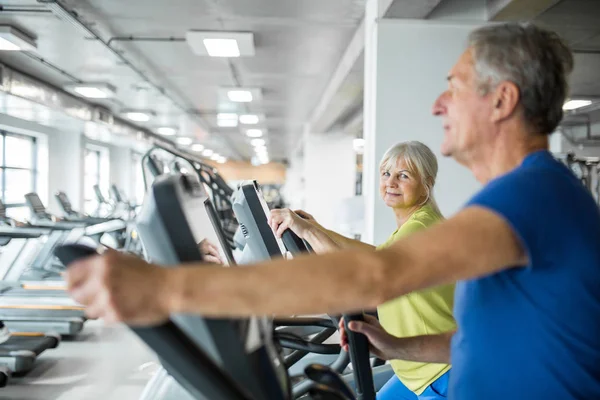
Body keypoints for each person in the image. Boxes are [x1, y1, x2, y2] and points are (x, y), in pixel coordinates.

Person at [66, 23, 600, 399]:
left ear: (502, 101)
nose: (439, 104)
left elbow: (377, 274)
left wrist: (166, 290)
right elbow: (483, 338)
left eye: (453, 87)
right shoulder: (527, 194)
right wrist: (398, 345)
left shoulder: (530, 195)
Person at [269, 141, 455, 400]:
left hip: (439, 376)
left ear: (427, 183)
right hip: (414, 372)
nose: (391, 183)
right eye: (386, 173)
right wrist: (319, 229)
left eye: (404, 175)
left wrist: (308, 232)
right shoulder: (416, 224)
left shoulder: (419, 230)